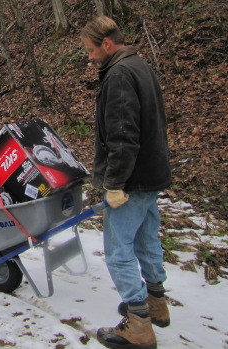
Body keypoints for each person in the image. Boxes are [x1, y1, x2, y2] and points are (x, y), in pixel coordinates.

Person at [80, 16, 172, 349]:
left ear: (106, 44)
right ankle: (156, 302)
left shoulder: (118, 75)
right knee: (147, 241)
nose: (89, 58)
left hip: (132, 180)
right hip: (151, 175)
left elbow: (122, 136)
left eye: (91, 50)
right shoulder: (138, 64)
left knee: (119, 252)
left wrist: (115, 183)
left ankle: (138, 325)